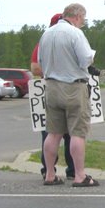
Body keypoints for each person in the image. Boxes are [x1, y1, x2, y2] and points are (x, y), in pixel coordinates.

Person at [38, 3, 98, 187]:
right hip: (73, 87)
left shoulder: (46, 34)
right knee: (77, 133)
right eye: (83, 19)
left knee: (53, 133)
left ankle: (49, 174)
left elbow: (40, 60)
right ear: (78, 16)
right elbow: (85, 59)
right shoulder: (75, 33)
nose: (83, 23)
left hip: (51, 86)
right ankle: (79, 175)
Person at [31, 12, 75, 180]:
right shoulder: (44, 41)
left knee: (72, 132)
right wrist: (57, 71)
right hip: (51, 89)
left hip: (68, 90)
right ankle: (48, 170)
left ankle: (72, 170)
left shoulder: (73, 39)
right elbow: (35, 67)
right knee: (49, 132)